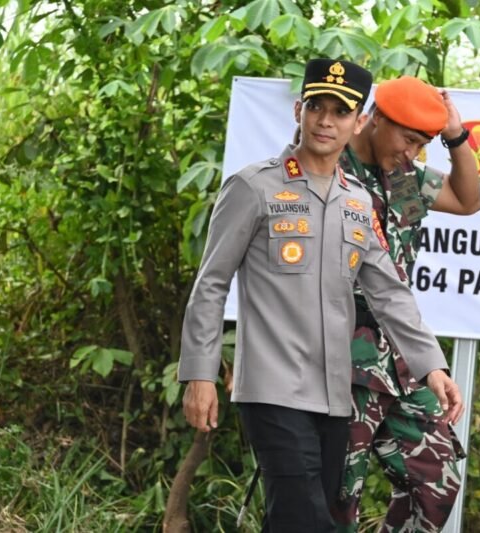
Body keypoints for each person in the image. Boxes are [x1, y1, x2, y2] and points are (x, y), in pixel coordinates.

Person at [178, 58, 464, 533]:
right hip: (273, 389)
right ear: (299, 111)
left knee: (296, 518)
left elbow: (389, 293)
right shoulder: (254, 186)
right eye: (317, 107)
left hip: (334, 396)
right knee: (308, 521)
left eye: (339, 111)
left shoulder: (356, 202)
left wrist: (432, 366)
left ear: (358, 122)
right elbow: (211, 283)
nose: (325, 121)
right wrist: (200, 374)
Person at [331, 76, 480, 532]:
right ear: (375, 117)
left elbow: (468, 200)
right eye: (408, 139)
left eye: (421, 145)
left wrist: (456, 136)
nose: (411, 153)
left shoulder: (402, 178)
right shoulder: (329, 168)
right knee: (337, 496)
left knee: (439, 479)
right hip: (341, 359)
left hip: (398, 358)